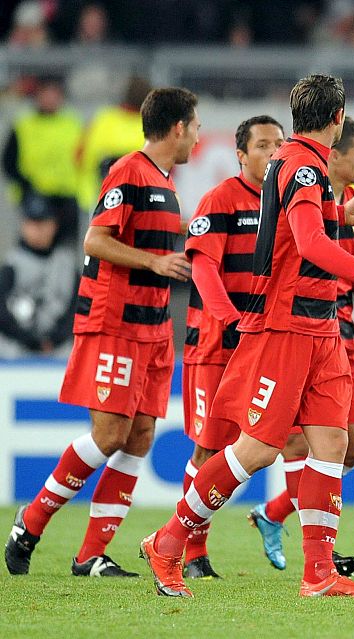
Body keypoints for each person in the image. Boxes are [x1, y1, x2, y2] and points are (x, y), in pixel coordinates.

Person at [138, 74, 354, 599]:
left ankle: (318, 573)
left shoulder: (301, 166)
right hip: (285, 325)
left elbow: (302, 229)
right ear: (338, 118)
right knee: (256, 449)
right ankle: (168, 540)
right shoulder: (301, 163)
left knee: (332, 442)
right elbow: (310, 245)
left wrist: (345, 213)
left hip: (319, 327)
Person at [4, 87, 200, 577]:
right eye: (194, 127)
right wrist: (155, 260)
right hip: (115, 323)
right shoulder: (128, 171)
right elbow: (96, 239)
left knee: (139, 435)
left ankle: (91, 555)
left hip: (153, 328)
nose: (197, 137)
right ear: (178, 127)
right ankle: (29, 523)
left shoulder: (165, 183)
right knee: (109, 433)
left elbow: (155, 233)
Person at [248, 116, 354, 576]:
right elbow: (308, 248)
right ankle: (321, 556)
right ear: (336, 150)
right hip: (297, 328)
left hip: (339, 333)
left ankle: (274, 515)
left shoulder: (350, 203)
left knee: (353, 447)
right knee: (291, 443)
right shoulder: (304, 188)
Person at [179, 115, 285, 580]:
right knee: (209, 448)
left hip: (264, 343)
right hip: (216, 345)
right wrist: (230, 319)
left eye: (279, 145)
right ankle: (190, 550)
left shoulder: (286, 202)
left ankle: (303, 534)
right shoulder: (220, 199)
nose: (273, 153)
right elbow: (203, 268)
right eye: (263, 145)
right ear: (241, 155)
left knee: (296, 438)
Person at [2, 76, 82, 247]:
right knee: (34, 249)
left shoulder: (72, 123)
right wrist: (26, 187)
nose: (51, 98)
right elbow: (9, 162)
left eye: (55, 93)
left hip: (67, 198)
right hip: (35, 197)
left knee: (65, 252)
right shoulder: (24, 125)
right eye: (47, 93)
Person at [0, 197, 78, 358]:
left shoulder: (67, 265)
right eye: (33, 223)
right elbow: (2, 314)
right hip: (15, 353)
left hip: (60, 352)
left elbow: (77, 308)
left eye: (43, 223)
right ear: (23, 225)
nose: (38, 229)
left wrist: (54, 339)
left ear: (54, 225)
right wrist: (31, 341)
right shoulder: (11, 265)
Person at [77, 76, 152, 213]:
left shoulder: (103, 119)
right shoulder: (151, 126)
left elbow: (79, 157)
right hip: (140, 205)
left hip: (98, 200)